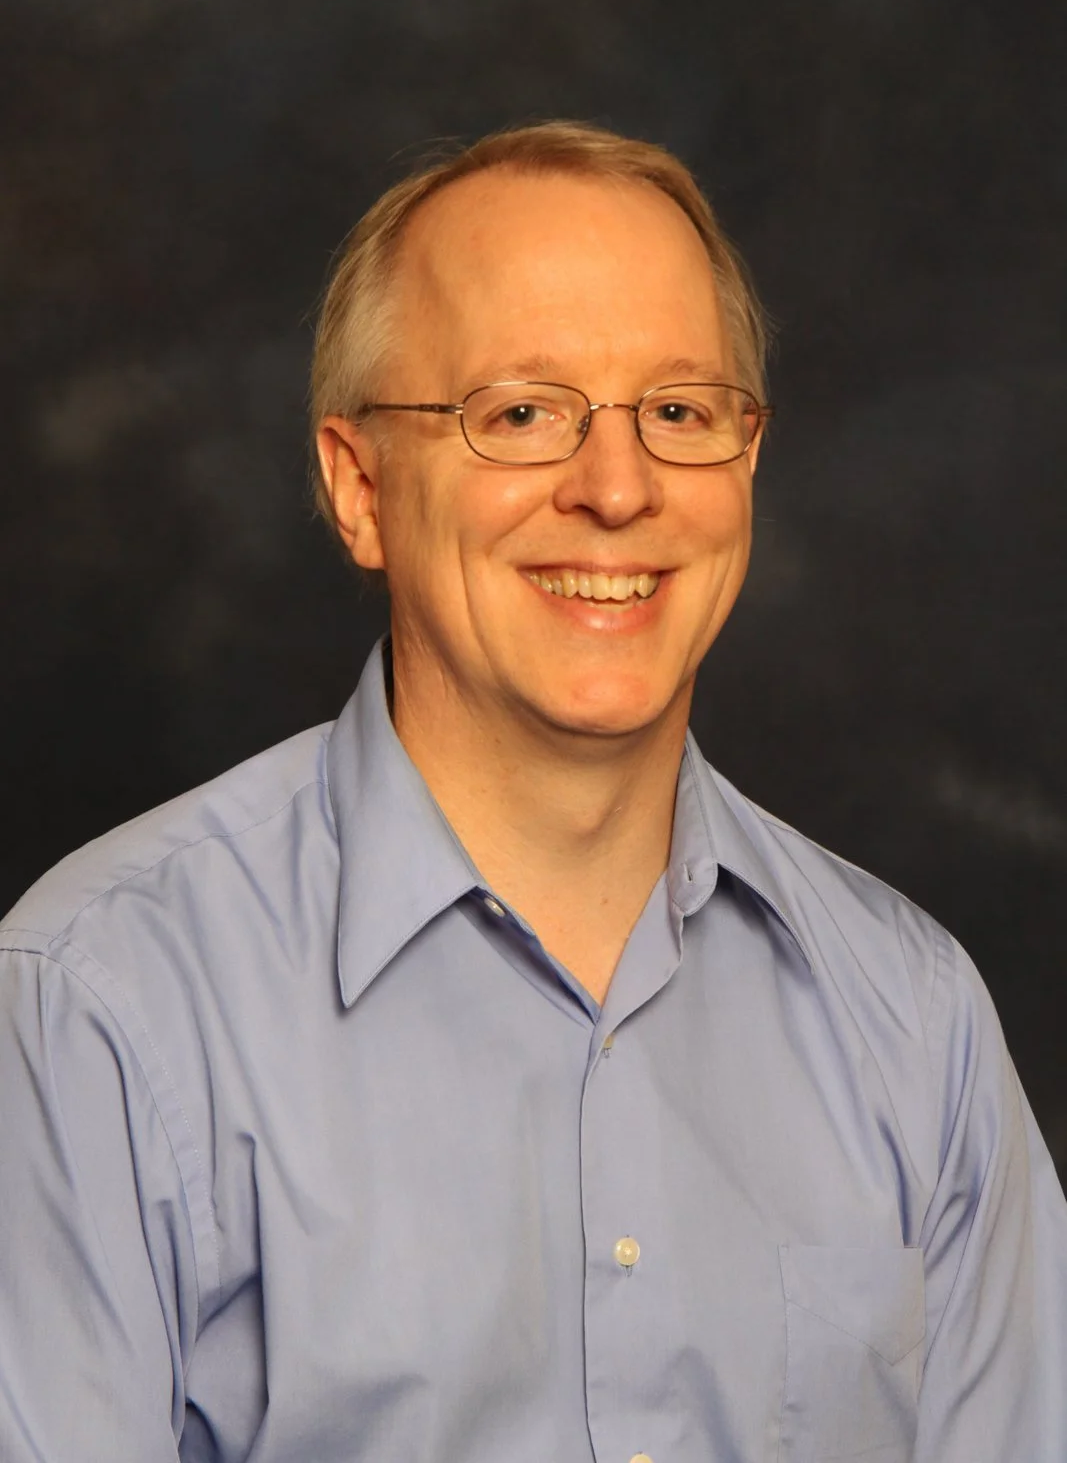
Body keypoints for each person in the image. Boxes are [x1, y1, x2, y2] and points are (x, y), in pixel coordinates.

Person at [1, 122, 1064, 1463]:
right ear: (359, 488)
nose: (615, 489)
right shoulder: (99, 1002)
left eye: (677, 412)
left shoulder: (915, 1026)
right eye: (519, 414)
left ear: (744, 463)